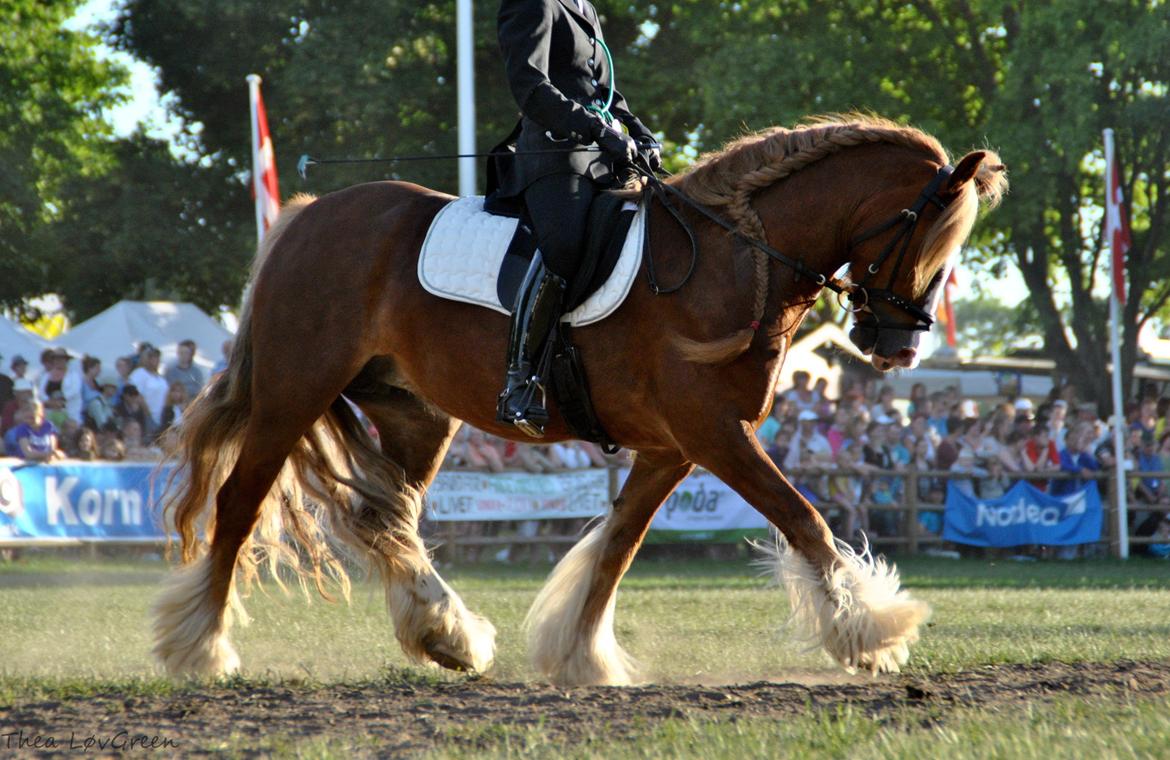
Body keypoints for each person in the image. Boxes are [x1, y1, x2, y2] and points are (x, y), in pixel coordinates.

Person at [491, 0, 659, 437]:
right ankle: (521, 377)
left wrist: (637, 129)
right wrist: (598, 130)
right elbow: (530, 86)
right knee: (563, 245)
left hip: (603, 156)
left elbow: (603, 93)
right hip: (555, 154)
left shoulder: (583, 4)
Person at [129, 347, 168, 435]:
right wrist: (148, 414)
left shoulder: (160, 377)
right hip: (147, 416)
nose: (156, 360)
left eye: (157, 357)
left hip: (162, 416)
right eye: (153, 357)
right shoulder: (139, 373)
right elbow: (136, 394)